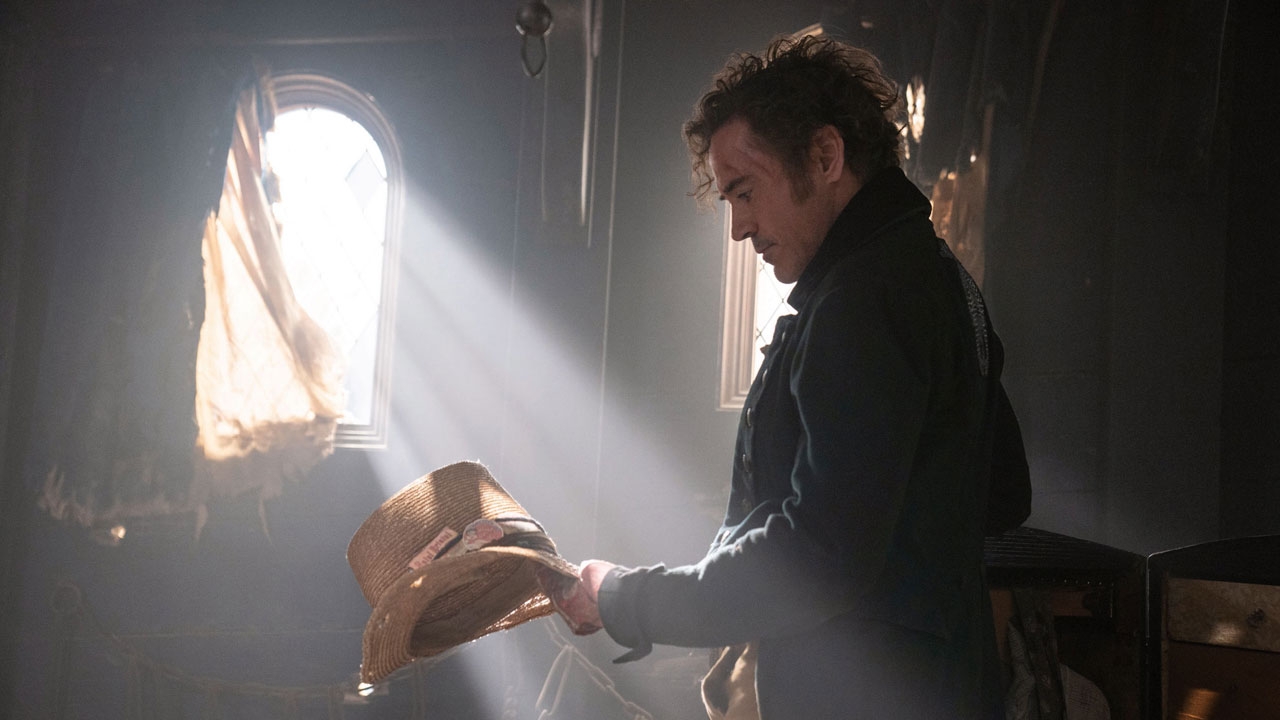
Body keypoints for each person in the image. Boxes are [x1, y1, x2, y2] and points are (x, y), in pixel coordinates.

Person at [538, 34, 1031, 719]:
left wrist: (628, 598)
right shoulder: (939, 278)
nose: (738, 228)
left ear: (825, 156)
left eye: (745, 192)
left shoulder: (861, 301)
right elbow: (1005, 494)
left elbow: (816, 558)